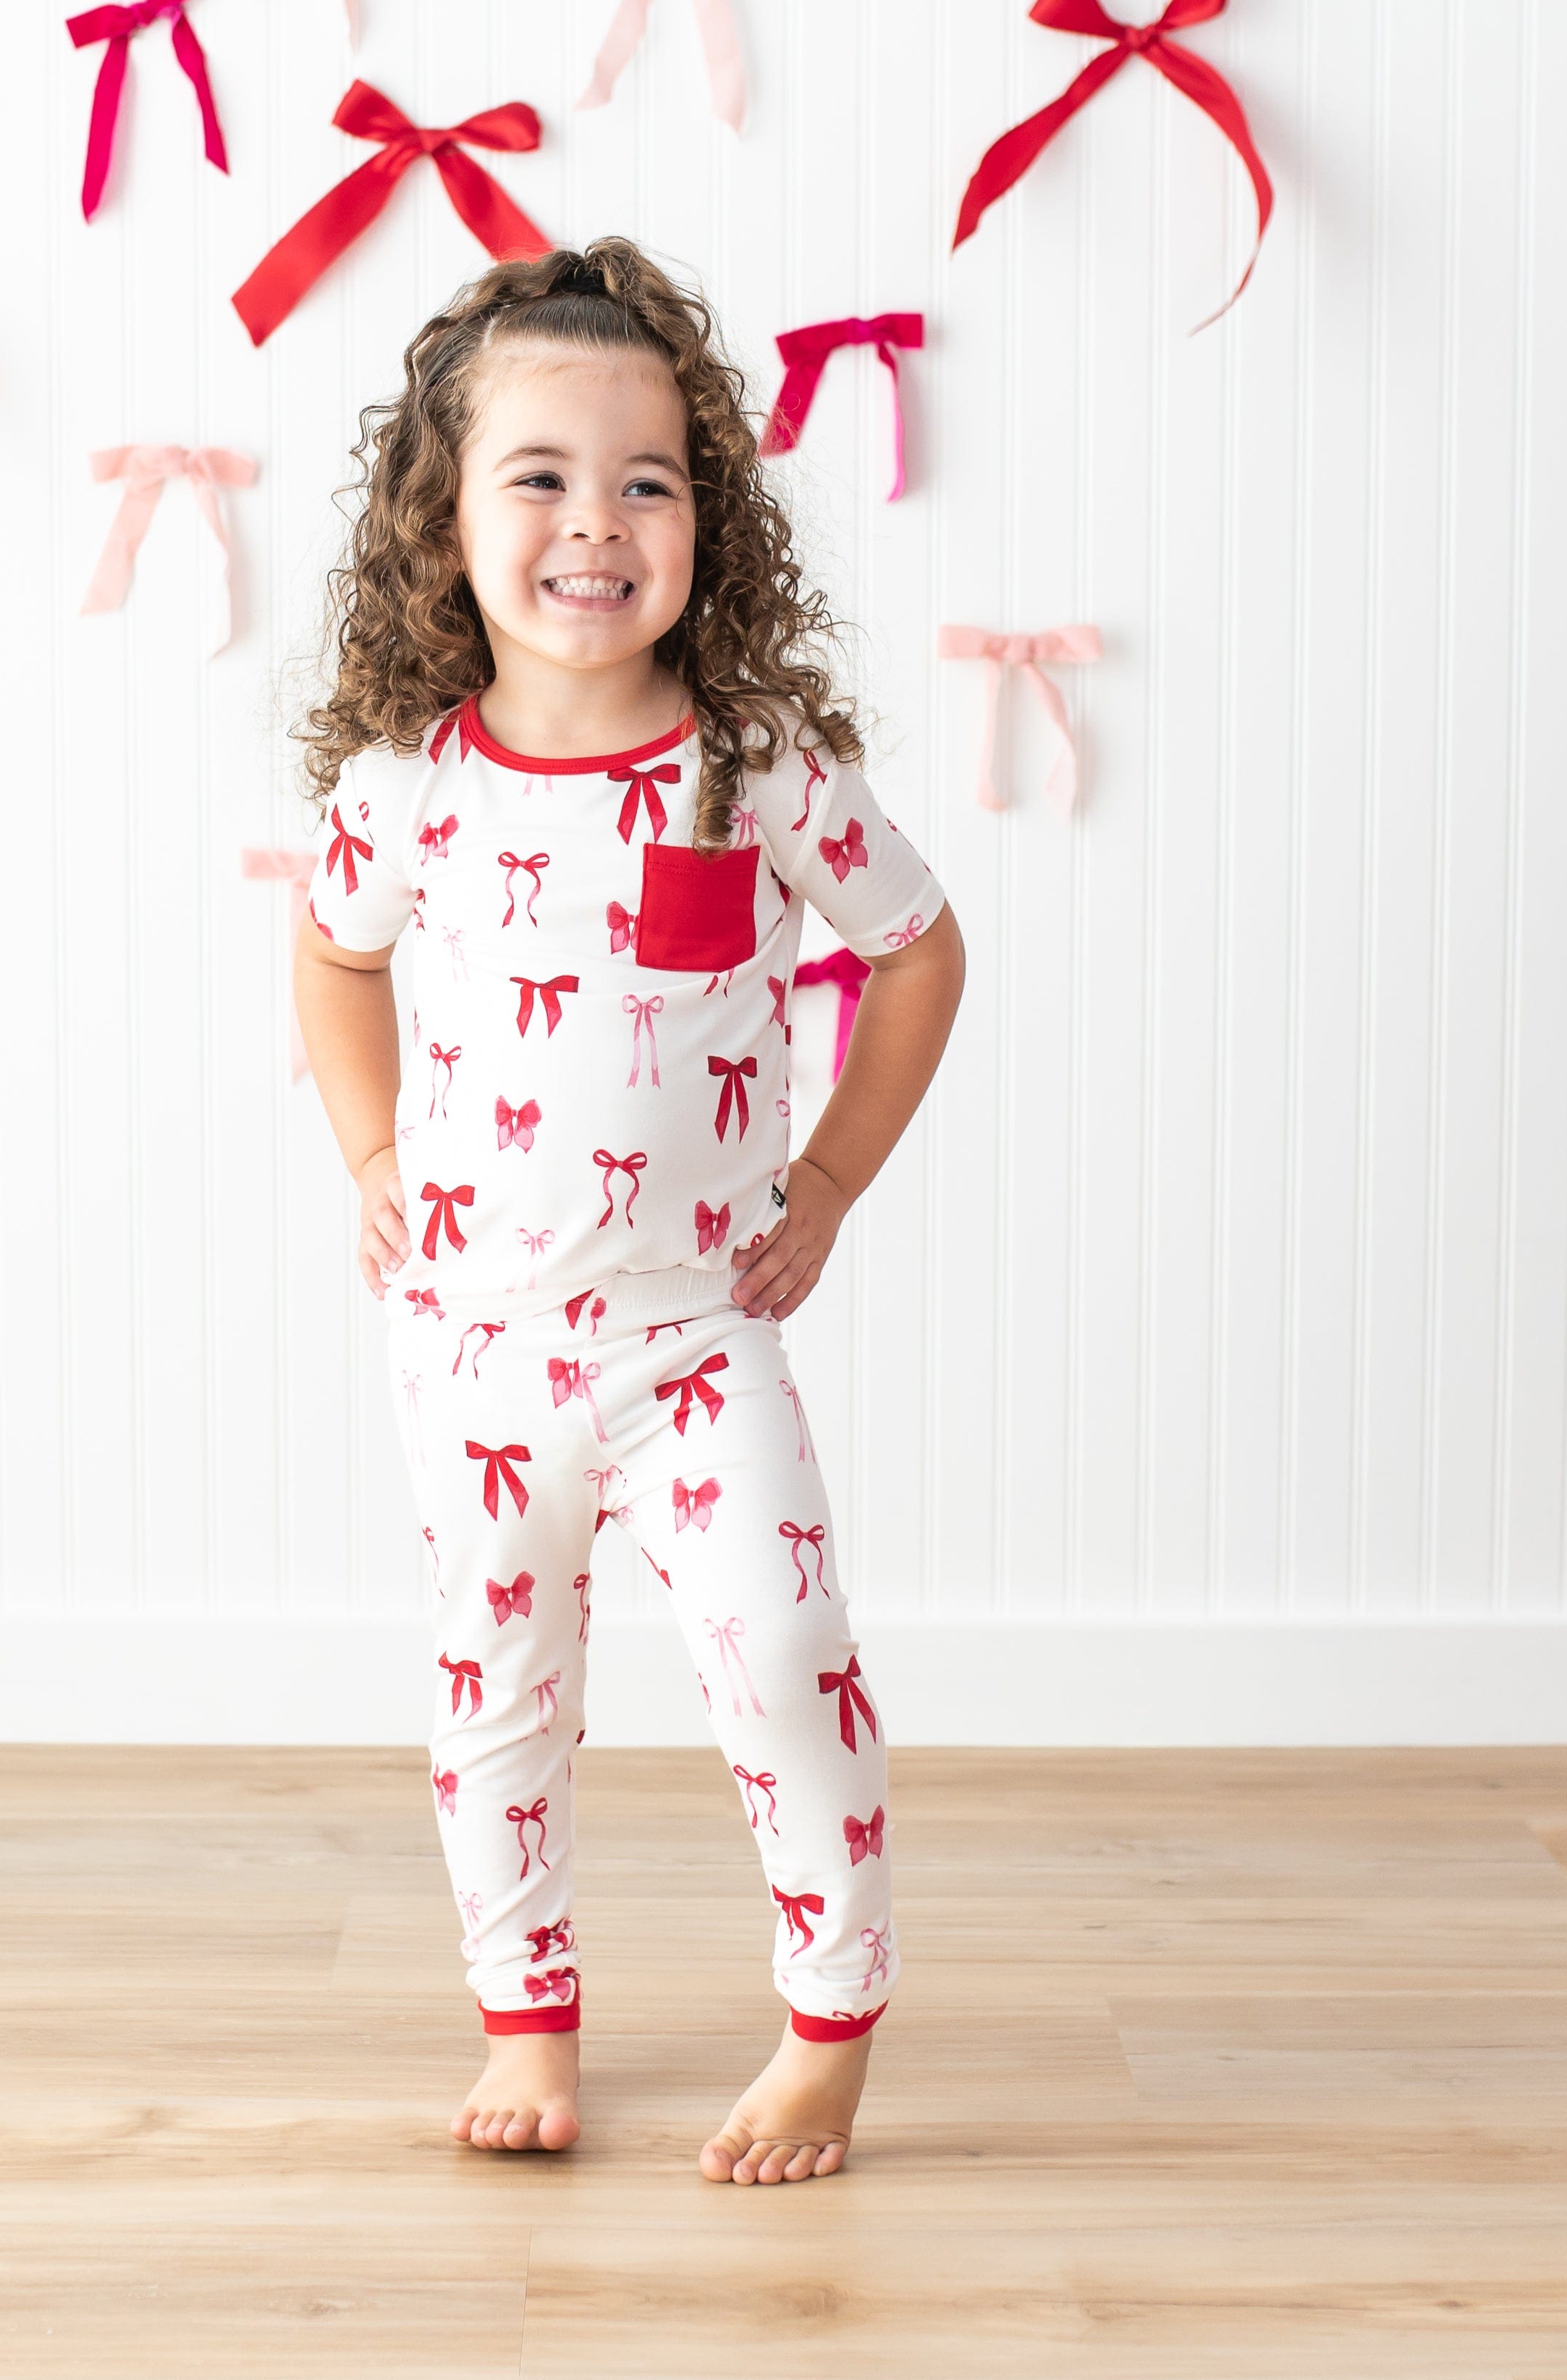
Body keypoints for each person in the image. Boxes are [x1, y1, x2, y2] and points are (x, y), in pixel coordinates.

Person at [286, 237, 964, 2185]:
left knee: (783, 1645)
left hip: (693, 1340)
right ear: (443, 527)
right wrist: (369, 1156)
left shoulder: (758, 776)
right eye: (543, 479)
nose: (599, 524)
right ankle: (528, 2015)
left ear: (709, 524)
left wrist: (826, 1181)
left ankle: (831, 2023)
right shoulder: (406, 792)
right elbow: (331, 967)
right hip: (477, 1350)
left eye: (649, 481)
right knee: (498, 1689)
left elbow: (919, 956)